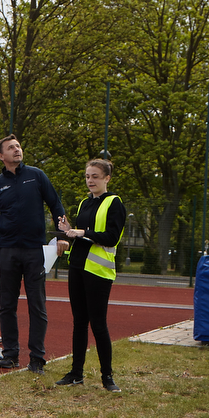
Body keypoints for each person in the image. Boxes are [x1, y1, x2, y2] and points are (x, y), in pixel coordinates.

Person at [0, 135, 67, 374]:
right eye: (11, 148)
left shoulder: (37, 176)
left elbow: (55, 205)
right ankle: (10, 355)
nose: (17, 149)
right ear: (1, 156)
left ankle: (37, 358)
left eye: (18, 146)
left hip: (34, 251)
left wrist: (63, 235)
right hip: (8, 251)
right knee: (6, 306)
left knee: (37, 305)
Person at [56, 158, 126, 392]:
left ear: (107, 178)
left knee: (98, 324)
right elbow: (82, 235)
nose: (90, 181)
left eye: (95, 176)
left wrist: (82, 232)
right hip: (77, 267)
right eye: (87, 176)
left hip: (98, 272)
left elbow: (112, 238)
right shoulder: (84, 203)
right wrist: (69, 231)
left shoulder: (114, 203)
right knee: (79, 322)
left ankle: (107, 377)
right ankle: (76, 373)